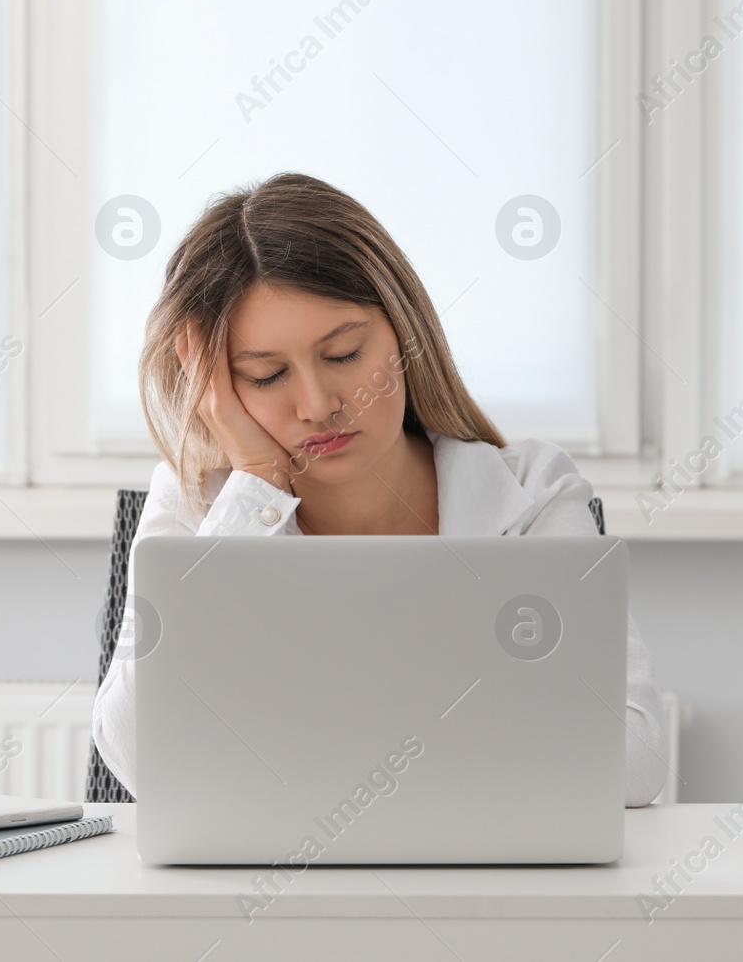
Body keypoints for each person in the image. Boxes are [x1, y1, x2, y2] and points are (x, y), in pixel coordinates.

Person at [91, 172, 668, 807]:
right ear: (215, 388)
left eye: (343, 355)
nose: (318, 404)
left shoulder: (531, 492)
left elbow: (632, 763)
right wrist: (254, 492)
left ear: (405, 334)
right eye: (266, 374)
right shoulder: (203, 504)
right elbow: (137, 757)